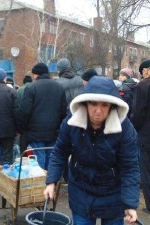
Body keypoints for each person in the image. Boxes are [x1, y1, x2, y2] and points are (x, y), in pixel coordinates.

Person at [44, 76, 140, 225]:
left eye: (104, 105)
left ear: (112, 106)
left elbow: (130, 167)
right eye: (93, 104)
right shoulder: (72, 122)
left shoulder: (125, 128)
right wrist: (51, 181)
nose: (98, 111)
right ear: (85, 103)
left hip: (113, 191)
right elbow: (60, 152)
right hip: (81, 188)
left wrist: (130, 204)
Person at [18, 62, 67, 169]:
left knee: (38, 160)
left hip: (35, 132)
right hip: (54, 131)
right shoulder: (59, 87)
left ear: (36, 74)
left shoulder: (31, 87)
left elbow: (25, 111)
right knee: (51, 159)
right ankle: (50, 182)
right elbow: (64, 111)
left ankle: (40, 183)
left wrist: (23, 129)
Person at [131, 59, 150, 214]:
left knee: (147, 171)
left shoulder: (143, 87)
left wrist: (136, 129)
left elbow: (137, 114)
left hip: (147, 137)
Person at [16, 75, 32, 154]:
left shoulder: (19, 91)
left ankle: (24, 157)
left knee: (23, 144)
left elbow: (17, 107)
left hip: (23, 123)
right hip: (33, 124)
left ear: (23, 82)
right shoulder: (34, 88)